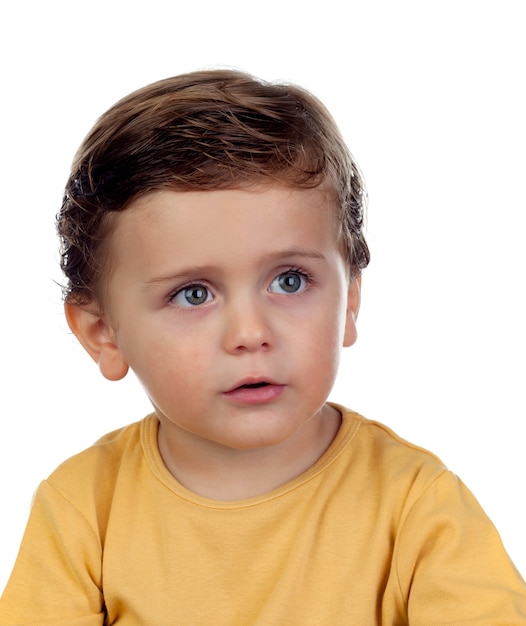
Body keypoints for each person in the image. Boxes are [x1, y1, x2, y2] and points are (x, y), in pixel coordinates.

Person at [1, 69, 525, 626]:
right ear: (102, 333)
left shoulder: (419, 508)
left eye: (290, 281)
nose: (251, 333)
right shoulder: (84, 510)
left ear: (349, 302)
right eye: (194, 293)